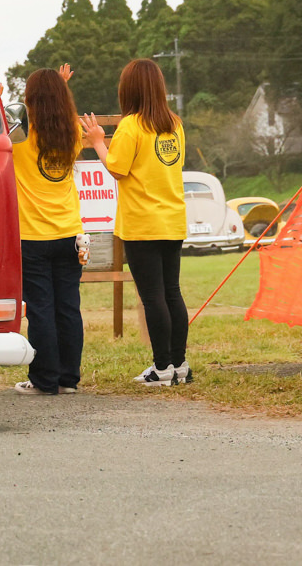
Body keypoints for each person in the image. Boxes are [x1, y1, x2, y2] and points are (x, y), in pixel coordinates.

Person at [80, 58, 190, 386]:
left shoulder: (131, 125)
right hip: (172, 219)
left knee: (153, 296)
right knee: (172, 292)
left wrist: (97, 140)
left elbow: (117, 168)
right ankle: (179, 365)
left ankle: (162, 368)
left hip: (142, 223)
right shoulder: (174, 124)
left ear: (129, 89)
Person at [11, 64, 85, 395]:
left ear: (30, 99)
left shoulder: (20, 135)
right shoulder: (72, 131)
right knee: (68, 308)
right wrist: (60, 87)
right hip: (71, 233)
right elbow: (58, 109)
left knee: (41, 309)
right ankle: (68, 379)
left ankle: (44, 380)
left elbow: (7, 122)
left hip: (32, 235)